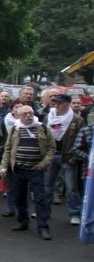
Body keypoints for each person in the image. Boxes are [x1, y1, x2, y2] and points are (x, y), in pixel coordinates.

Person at [0, 105, 55, 240]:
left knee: (40, 199)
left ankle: (43, 227)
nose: (28, 116)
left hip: (36, 170)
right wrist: (3, 166)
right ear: (18, 116)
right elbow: (8, 149)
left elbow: (51, 149)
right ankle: (23, 221)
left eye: (30, 113)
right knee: (19, 197)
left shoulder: (42, 128)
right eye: (24, 114)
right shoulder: (15, 129)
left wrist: (43, 164)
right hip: (18, 169)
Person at [42, 94, 85, 223]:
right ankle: (44, 211)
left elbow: (82, 140)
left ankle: (74, 214)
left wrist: (75, 157)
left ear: (67, 104)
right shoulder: (48, 117)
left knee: (71, 188)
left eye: (60, 103)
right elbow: (42, 136)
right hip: (51, 155)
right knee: (47, 186)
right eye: (55, 103)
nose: (57, 105)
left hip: (68, 157)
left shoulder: (77, 120)